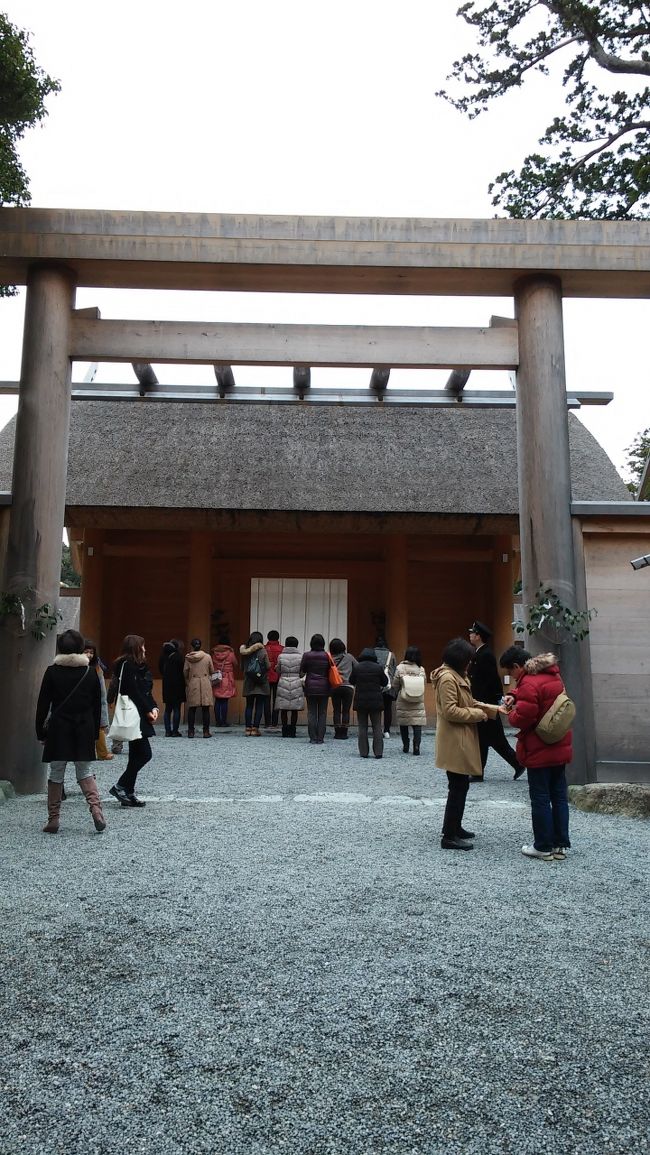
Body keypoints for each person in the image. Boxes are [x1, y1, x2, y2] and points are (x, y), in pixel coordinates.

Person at [499, 646, 573, 862]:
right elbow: (534, 695)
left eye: (511, 672)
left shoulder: (529, 682)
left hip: (539, 747)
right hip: (559, 743)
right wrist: (514, 694)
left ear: (517, 666)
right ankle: (560, 845)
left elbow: (525, 716)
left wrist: (510, 713)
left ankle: (542, 846)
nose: (512, 677)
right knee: (559, 796)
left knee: (540, 797)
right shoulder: (552, 675)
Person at [431, 637, 499, 851]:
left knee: (461, 785)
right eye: (469, 660)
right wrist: (479, 714)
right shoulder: (448, 679)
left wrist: (491, 709)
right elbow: (451, 711)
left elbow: (466, 702)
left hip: (459, 736)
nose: (470, 663)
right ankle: (449, 835)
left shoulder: (455, 675)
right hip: (455, 738)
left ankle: (455, 827)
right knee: (458, 786)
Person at [35, 628, 104, 834]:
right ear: (81, 648)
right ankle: (96, 810)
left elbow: (42, 705)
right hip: (83, 727)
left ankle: (53, 819)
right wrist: (94, 734)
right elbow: (96, 706)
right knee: (84, 771)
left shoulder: (52, 671)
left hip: (59, 728)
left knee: (56, 772)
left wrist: (40, 732)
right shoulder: (89, 672)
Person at [468, 620, 523, 781]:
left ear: (478, 636)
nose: (470, 635)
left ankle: (516, 763)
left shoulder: (485, 655)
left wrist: (496, 701)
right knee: (485, 739)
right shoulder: (480, 653)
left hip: (486, 703)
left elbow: (492, 679)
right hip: (483, 702)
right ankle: (479, 772)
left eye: (472, 632)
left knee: (493, 739)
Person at [109, 634, 159, 807]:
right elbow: (133, 691)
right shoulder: (127, 665)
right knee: (145, 754)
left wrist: (154, 707)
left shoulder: (137, 665)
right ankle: (121, 786)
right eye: (142, 646)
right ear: (136, 647)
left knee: (136, 755)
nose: (145, 649)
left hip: (139, 713)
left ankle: (128, 792)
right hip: (136, 714)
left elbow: (145, 689)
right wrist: (148, 710)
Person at [349, 647, 388, 759]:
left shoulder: (357, 667)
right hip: (376, 700)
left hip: (361, 700)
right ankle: (378, 752)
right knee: (377, 726)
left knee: (362, 726)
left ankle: (364, 752)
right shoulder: (378, 667)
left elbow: (351, 681)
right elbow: (385, 682)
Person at [392, 645, 427, 755]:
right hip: (417, 700)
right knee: (417, 724)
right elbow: (424, 684)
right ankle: (416, 747)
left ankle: (405, 745)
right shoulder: (421, 669)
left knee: (404, 724)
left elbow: (395, 684)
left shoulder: (400, 668)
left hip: (403, 699)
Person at [83, 638, 113, 761]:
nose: (89, 655)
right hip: (82, 703)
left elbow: (102, 693)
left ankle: (102, 753)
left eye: (91, 652)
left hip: (93, 704)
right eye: (86, 652)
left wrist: (104, 716)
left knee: (99, 728)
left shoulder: (97, 668)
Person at [299, 633, 331, 744]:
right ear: (323, 644)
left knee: (312, 712)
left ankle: (313, 737)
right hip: (324, 686)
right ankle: (321, 738)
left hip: (311, 686)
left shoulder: (307, 655)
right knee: (322, 713)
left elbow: (302, 671)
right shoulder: (327, 655)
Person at [240, 631, 271, 736]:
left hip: (249, 681)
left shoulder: (244, 651)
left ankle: (248, 728)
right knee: (259, 706)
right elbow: (267, 666)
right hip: (261, 681)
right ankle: (255, 729)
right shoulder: (262, 651)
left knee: (249, 705)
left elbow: (241, 667)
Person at [184, 637, 214, 737]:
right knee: (206, 709)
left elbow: (185, 672)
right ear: (201, 645)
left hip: (193, 682)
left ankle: (191, 732)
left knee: (192, 709)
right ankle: (206, 731)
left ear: (191, 646)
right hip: (205, 682)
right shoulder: (207, 656)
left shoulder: (188, 658)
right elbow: (212, 670)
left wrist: (189, 681)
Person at [275, 636, 304, 737]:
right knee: (294, 709)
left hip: (283, 681)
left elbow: (278, 670)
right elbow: (302, 672)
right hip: (296, 681)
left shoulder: (281, 656)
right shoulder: (300, 656)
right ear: (296, 645)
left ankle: (284, 730)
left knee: (283, 708)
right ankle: (292, 731)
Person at [329, 638, 357, 739]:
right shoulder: (349, 657)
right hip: (348, 686)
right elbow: (357, 667)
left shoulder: (330, 657)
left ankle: (337, 732)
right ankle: (344, 733)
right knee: (346, 710)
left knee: (336, 710)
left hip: (335, 686)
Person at [159, 638, 186, 737]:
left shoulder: (163, 656)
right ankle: (175, 731)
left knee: (167, 709)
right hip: (178, 684)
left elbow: (160, 669)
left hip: (166, 684)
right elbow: (183, 671)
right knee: (176, 708)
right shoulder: (178, 657)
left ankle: (167, 731)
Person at [210, 636, 238, 728]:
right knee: (225, 700)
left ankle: (218, 721)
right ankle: (223, 721)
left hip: (217, 677)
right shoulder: (230, 653)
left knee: (217, 700)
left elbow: (211, 665)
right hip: (227, 677)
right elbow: (235, 664)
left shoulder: (214, 653)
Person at [374, 634, 397, 738]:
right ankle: (386, 730)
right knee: (388, 708)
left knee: (376, 708)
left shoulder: (372, 653)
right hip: (388, 684)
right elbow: (395, 670)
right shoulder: (391, 654)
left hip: (375, 684)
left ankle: (377, 729)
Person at [263, 630, 284, 730]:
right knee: (276, 699)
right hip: (278, 677)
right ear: (278, 638)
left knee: (266, 700)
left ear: (268, 637)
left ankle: (267, 722)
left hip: (266, 677)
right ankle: (275, 722)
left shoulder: (264, 648)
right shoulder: (282, 649)